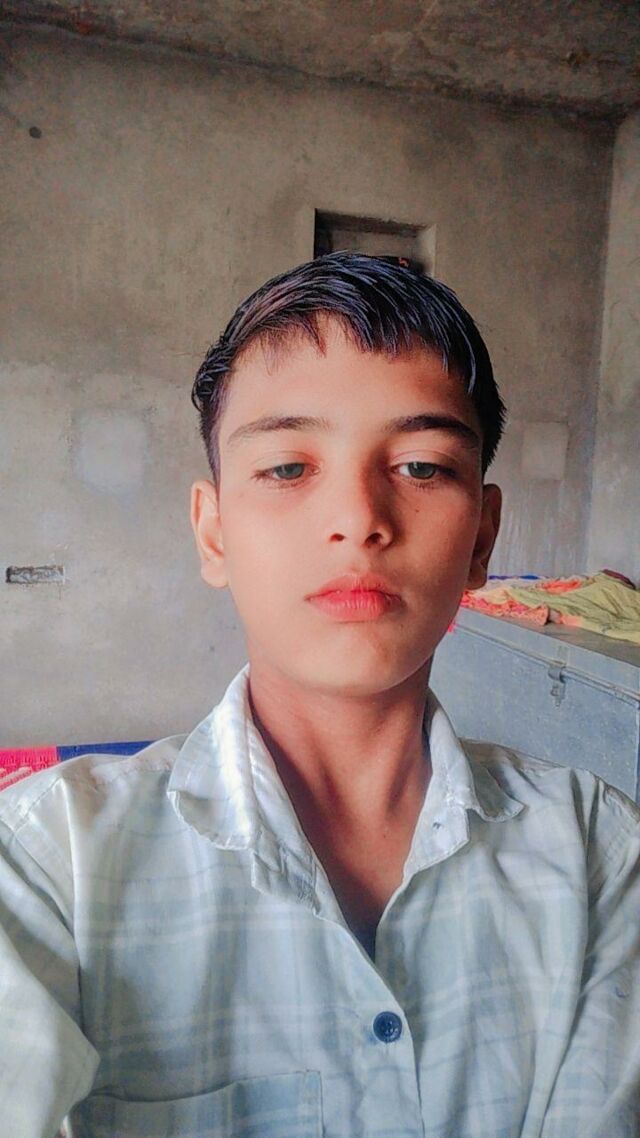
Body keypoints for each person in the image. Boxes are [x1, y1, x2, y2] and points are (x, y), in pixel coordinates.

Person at [1, 253, 638, 1138]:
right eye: (286, 468)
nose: (358, 518)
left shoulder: (601, 852)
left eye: (421, 466)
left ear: (482, 538)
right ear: (213, 532)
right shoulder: (47, 864)